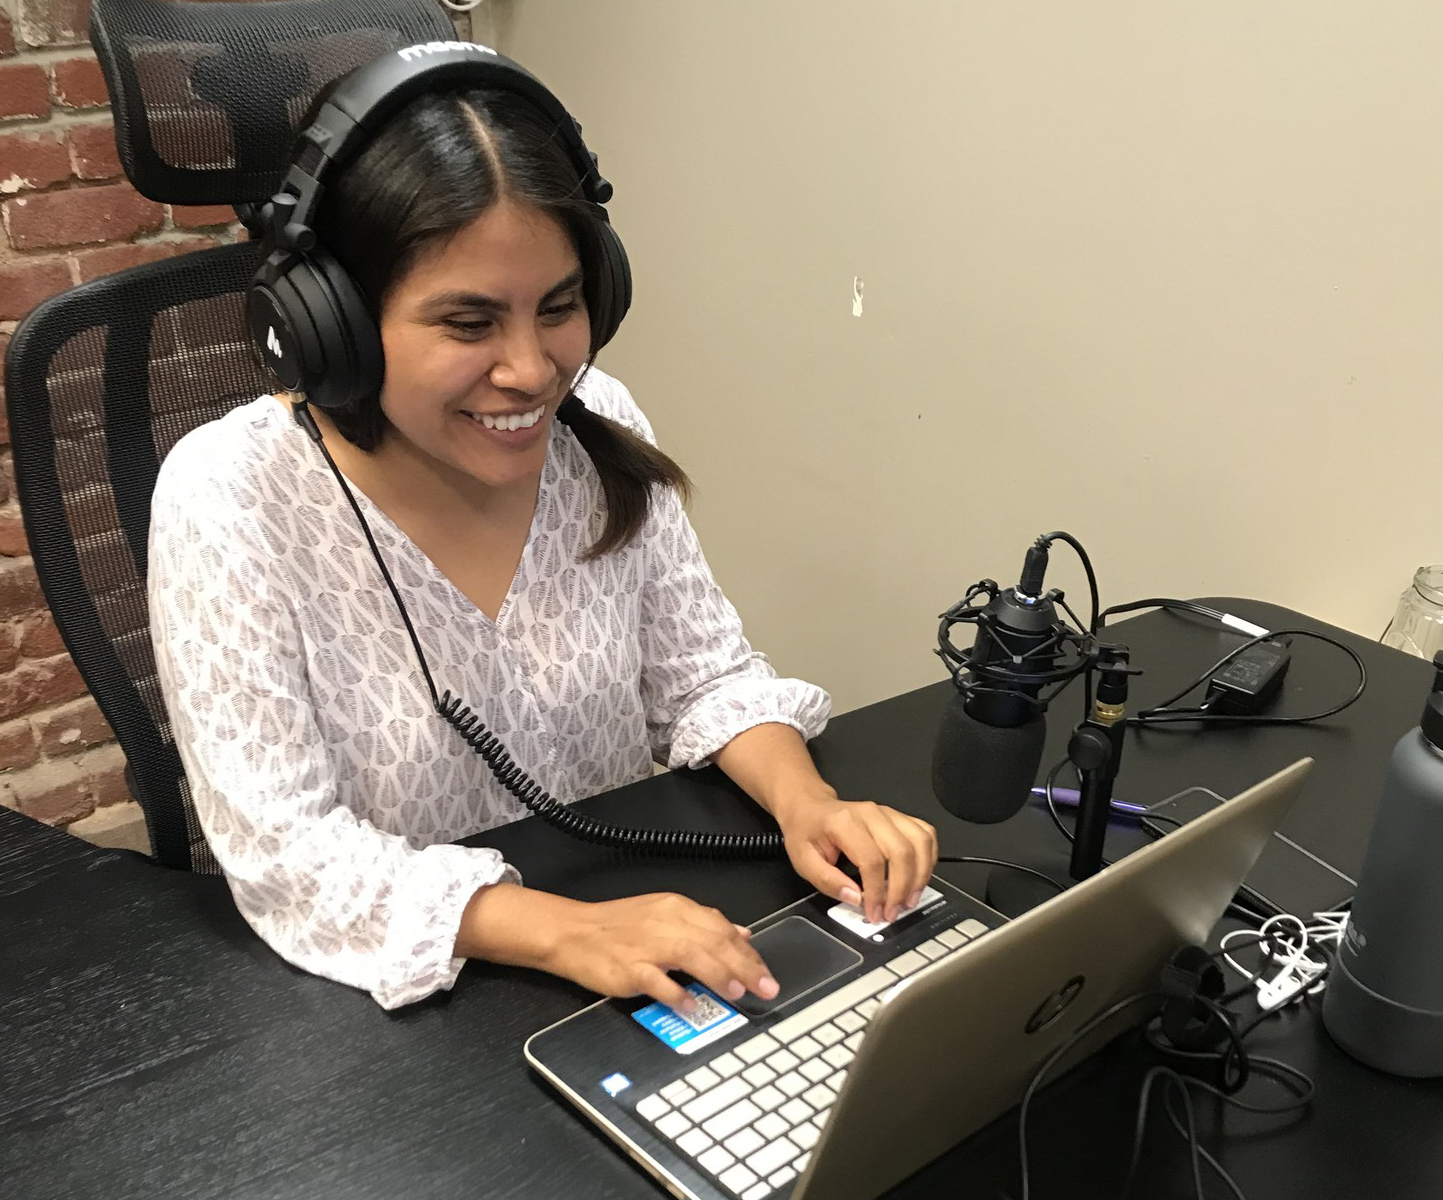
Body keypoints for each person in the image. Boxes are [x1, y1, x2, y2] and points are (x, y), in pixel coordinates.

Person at [147, 48, 937, 1014]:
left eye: (558, 307)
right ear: (335, 328)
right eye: (469, 323)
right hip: (399, 1002)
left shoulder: (596, 418)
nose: (532, 371)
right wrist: (572, 931)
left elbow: (705, 676)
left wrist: (807, 803)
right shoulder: (231, 494)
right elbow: (286, 855)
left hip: (635, 948)